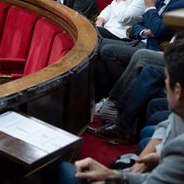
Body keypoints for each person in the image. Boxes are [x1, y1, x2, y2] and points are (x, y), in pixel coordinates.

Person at [69, 40, 184, 184]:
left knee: (65, 171)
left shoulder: (179, 148)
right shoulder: (178, 119)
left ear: (178, 91)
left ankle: (116, 112)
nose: (165, 83)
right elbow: (169, 123)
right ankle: (118, 116)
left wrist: (113, 176)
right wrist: (159, 155)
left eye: (166, 79)